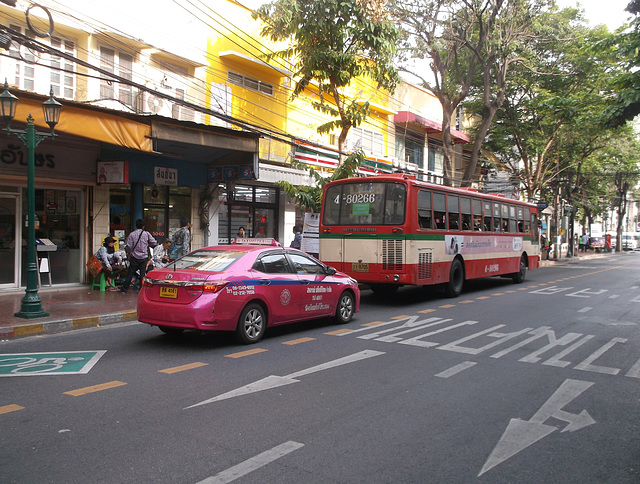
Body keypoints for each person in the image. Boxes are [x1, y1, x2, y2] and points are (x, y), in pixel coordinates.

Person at [120, 219, 157, 294]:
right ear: (143, 226)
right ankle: (141, 289)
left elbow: (129, 246)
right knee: (142, 274)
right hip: (144, 257)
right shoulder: (146, 234)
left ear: (136, 225)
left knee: (130, 273)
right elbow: (154, 242)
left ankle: (124, 289)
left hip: (134, 257)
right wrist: (147, 244)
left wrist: (130, 253)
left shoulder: (132, 234)